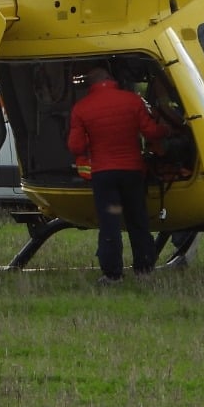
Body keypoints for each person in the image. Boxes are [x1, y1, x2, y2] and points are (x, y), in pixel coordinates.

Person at [66, 64, 170, 283]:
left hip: (104, 175)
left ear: (90, 85)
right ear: (111, 79)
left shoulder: (82, 107)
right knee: (138, 220)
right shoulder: (132, 101)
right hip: (132, 172)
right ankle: (144, 268)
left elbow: (75, 146)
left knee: (110, 223)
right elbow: (150, 131)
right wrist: (167, 130)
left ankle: (113, 274)